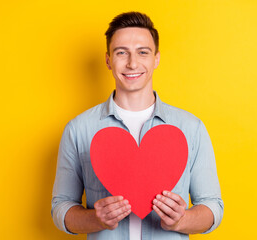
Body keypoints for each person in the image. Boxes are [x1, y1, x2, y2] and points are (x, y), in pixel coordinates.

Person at [51, 12, 224, 240]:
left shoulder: (191, 128)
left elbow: (213, 207)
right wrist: (95, 219)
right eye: (121, 52)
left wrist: (182, 220)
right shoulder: (78, 129)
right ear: (108, 60)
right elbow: (61, 207)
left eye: (143, 52)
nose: (132, 63)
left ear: (156, 59)